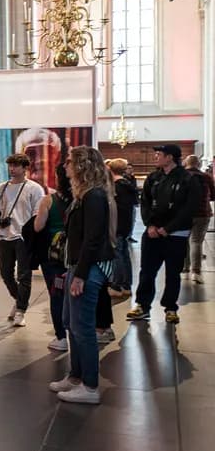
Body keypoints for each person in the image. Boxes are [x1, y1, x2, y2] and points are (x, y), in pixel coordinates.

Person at [50, 147, 116, 405]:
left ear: (82, 165)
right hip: (78, 266)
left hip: (87, 268)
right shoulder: (86, 195)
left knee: (82, 327)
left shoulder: (95, 196)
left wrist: (80, 274)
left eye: (69, 162)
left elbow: (93, 239)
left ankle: (90, 386)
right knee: (71, 322)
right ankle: (76, 376)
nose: (65, 167)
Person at [129, 144, 199, 325]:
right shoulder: (153, 177)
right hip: (152, 233)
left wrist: (168, 228)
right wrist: (150, 225)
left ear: (170, 157)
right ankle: (142, 305)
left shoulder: (187, 179)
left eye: (159, 154)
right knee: (147, 271)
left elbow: (189, 208)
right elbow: (144, 202)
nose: (155, 157)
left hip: (176, 234)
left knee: (173, 273)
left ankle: (170, 307)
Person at [0, 154, 45, 327]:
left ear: (24, 167)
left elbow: (37, 213)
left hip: (23, 238)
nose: (12, 168)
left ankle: (20, 309)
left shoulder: (34, 189)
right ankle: (19, 300)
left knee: (24, 275)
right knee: (5, 273)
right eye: (10, 165)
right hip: (4, 237)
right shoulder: (2, 188)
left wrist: (32, 237)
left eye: (16, 165)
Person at [33, 164, 73, 352]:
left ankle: (61, 336)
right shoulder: (81, 198)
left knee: (56, 294)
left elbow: (38, 227)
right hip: (75, 253)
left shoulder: (48, 200)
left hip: (54, 254)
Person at [107, 158, 139, 299]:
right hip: (125, 225)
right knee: (124, 254)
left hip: (117, 225)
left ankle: (117, 284)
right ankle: (126, 285)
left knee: (117, 255)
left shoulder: (117, 187)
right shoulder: (127, 184)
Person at [183, 155, 213, 284]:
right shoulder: (206, 177)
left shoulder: (181, 176)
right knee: (196, 241)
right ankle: (196, 271)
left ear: (186, 163)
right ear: (199, 164)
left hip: (184, 214)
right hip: (202, 212)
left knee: (184, 240)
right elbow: (213, 193)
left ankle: (184, 267)